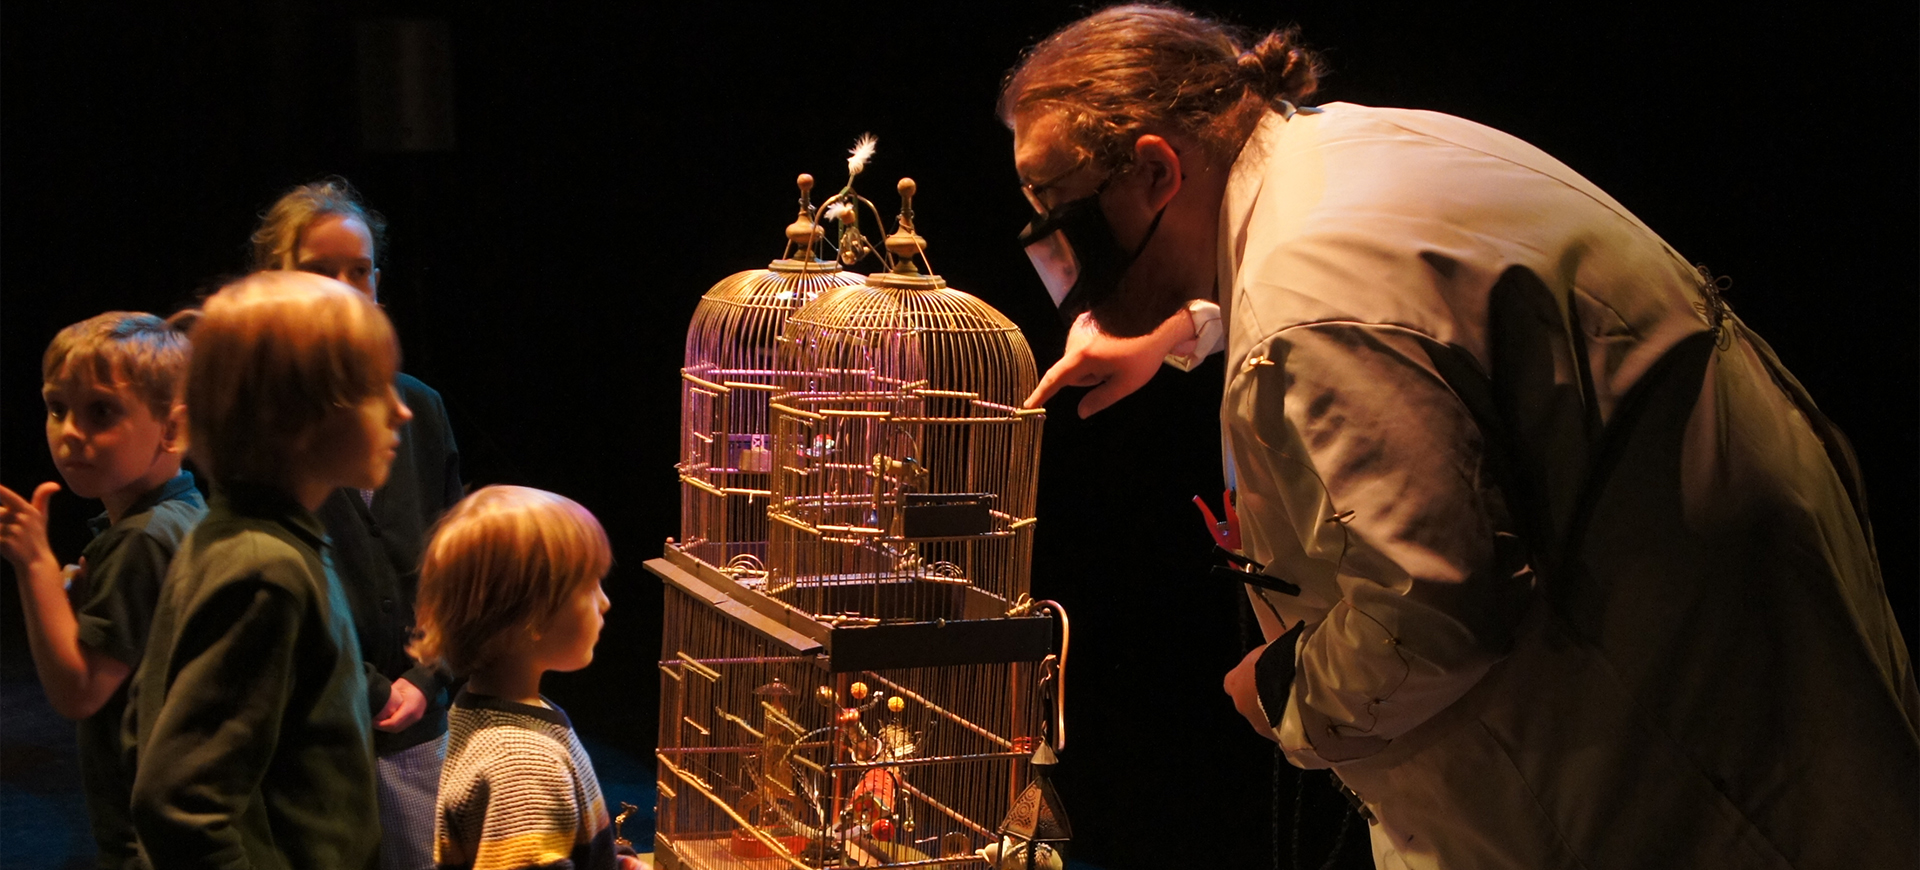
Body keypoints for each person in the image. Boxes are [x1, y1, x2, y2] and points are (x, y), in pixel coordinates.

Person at [1004, 6, 1917, 868]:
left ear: (1160, 171)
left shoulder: (1310, 300)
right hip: (1745, 632)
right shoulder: (1341, 150)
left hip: (1666, 754)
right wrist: (1180, 326)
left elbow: (1430, 613)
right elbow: (1407, 318)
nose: (1069, 269)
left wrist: (1283, 691)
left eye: (1068, 217)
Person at [128, 271, 411, 869]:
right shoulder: (265, 568)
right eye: (376, 388)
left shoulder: (258, 542)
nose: (403, 410)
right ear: (297, 413)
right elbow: (179, 806)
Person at [253, 177, 463, 870]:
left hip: (420, 724)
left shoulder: (418, 409)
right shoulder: (251, 423)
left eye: (359, 271)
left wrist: (429, 675)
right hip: (309, 736)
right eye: (318, 273)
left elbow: (454, 563)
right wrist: (372, 689)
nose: (344, 290)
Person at [0, 312, 205, 870]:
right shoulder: (179, 517)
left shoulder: (142, 540)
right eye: (56, 408)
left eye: (101, 412)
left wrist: (34, 564)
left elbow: (78, 691)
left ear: (173, 430)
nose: (69, 432)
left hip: (149, 838)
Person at [408, 485, 640, 870]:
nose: (605, 602)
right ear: (529, 616)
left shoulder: (490, 710)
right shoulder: (522, 762)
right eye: (588, 586)